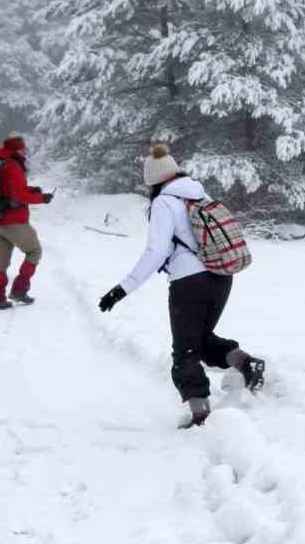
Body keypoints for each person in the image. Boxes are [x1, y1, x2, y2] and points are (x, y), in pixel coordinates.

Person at [97, 145, 265, 428]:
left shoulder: (164, 202)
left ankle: (201, 415)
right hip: (221, 275)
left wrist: (121, 289)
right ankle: (246, 363)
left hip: (189, 282)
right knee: (198, 339)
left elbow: (156, 252)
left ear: (154, 179)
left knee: (185, 351)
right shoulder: (200, 193)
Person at [0, 135, 52, 310]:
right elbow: (18, 195)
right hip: (13, 220)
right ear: (17, 150)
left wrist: (32, 189)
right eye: (22, 149)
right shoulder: (13, 166)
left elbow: (9, 190)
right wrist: (41, 198)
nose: (25, 152)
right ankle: (19, 290)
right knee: (34, 251)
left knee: (1, 259)